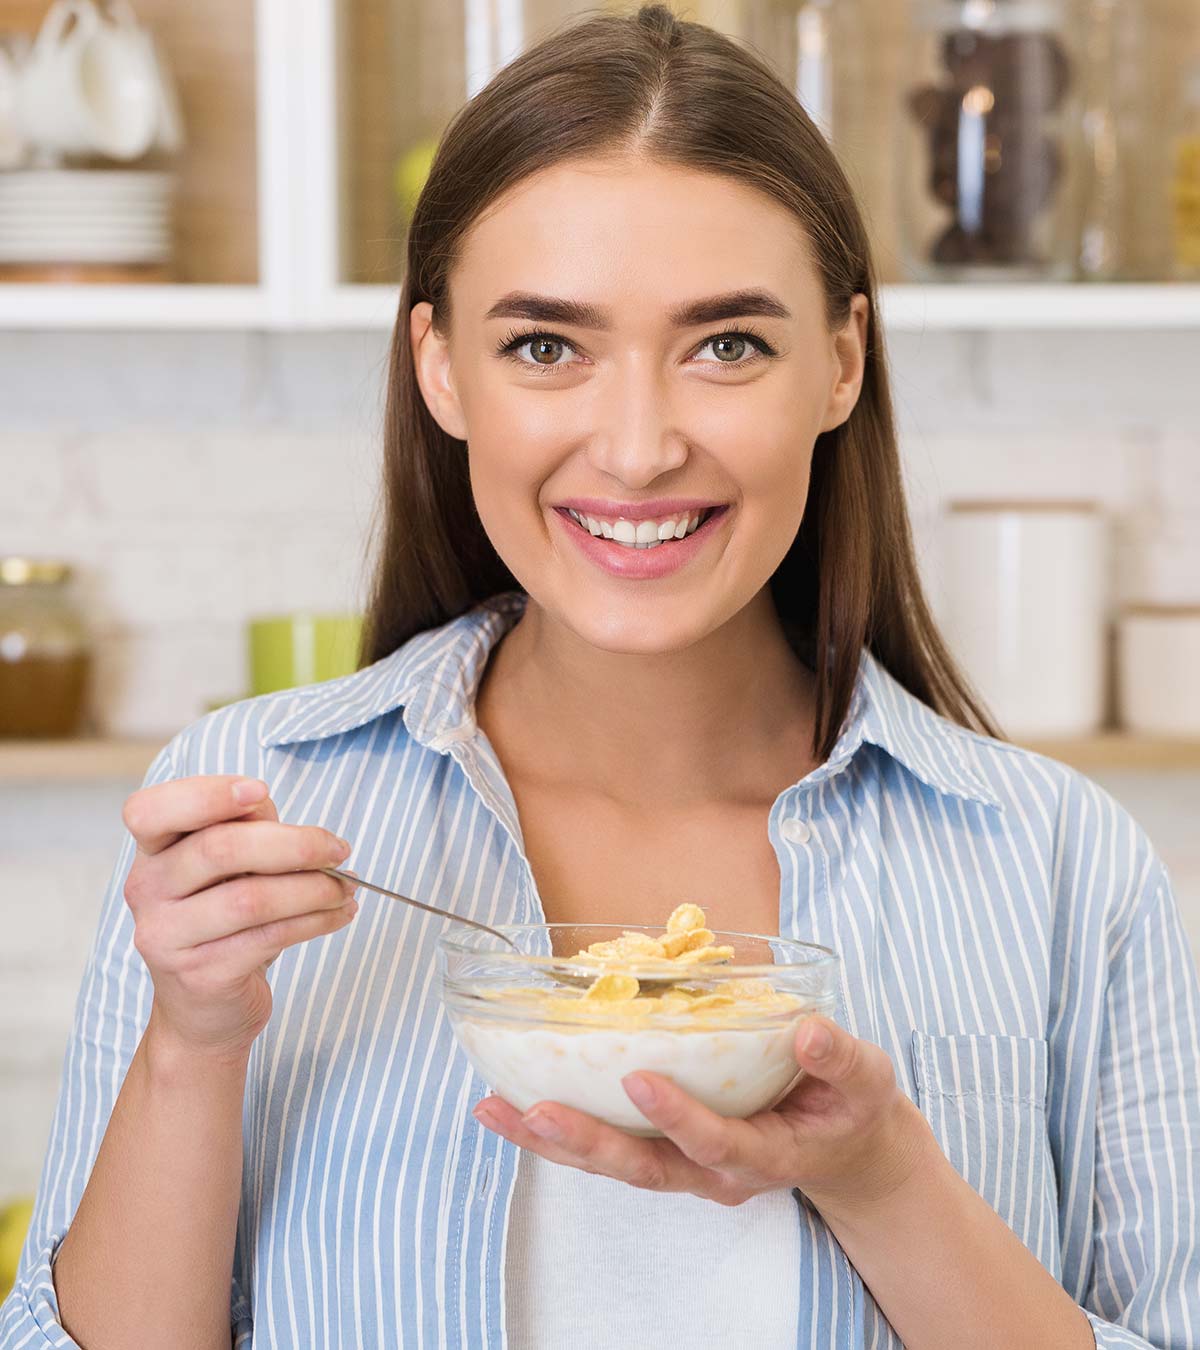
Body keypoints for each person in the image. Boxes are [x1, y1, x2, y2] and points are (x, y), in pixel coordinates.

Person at [4, 6, 1198, 1348]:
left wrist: (879, 1176)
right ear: (440, 367)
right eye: (545, 346)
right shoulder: (250, 809)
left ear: (843, 362)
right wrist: (193, 1042)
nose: (635, 451)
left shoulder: (1055, 867)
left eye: (728, 344)